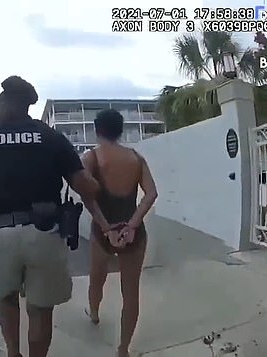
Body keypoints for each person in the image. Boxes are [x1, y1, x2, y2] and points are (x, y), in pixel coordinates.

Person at [0, 75, 117, 357]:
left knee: (6, 299)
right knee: (40, 309)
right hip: (45, 234)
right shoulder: (51, 137)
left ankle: (13, 353)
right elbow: (84, 187)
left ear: (6, 103)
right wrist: (99, 179)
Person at [82, 109, 158, 357]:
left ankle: (94, 313)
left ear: (97, 129)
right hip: (134, 234)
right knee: (131, 291)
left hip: (102, 231)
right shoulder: (136, 158)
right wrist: (132, 225)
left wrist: (106, 228)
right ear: (120, 130)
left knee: (97, 278)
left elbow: (88, 196)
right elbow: (151, 194)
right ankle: (123, 349)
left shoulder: (91, 157)